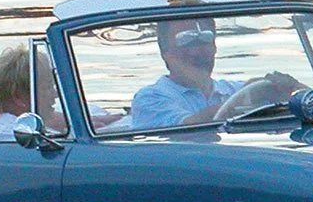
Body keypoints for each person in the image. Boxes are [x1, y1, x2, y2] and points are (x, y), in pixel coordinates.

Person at [126, 13, 303, 130]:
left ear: (214, 47)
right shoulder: (149, 99)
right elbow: (188, 130)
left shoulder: (234, 89)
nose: (196, 52)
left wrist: (289, 89)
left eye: (204, 40)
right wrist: (245, 99)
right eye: (185, 42)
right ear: (166, 53)